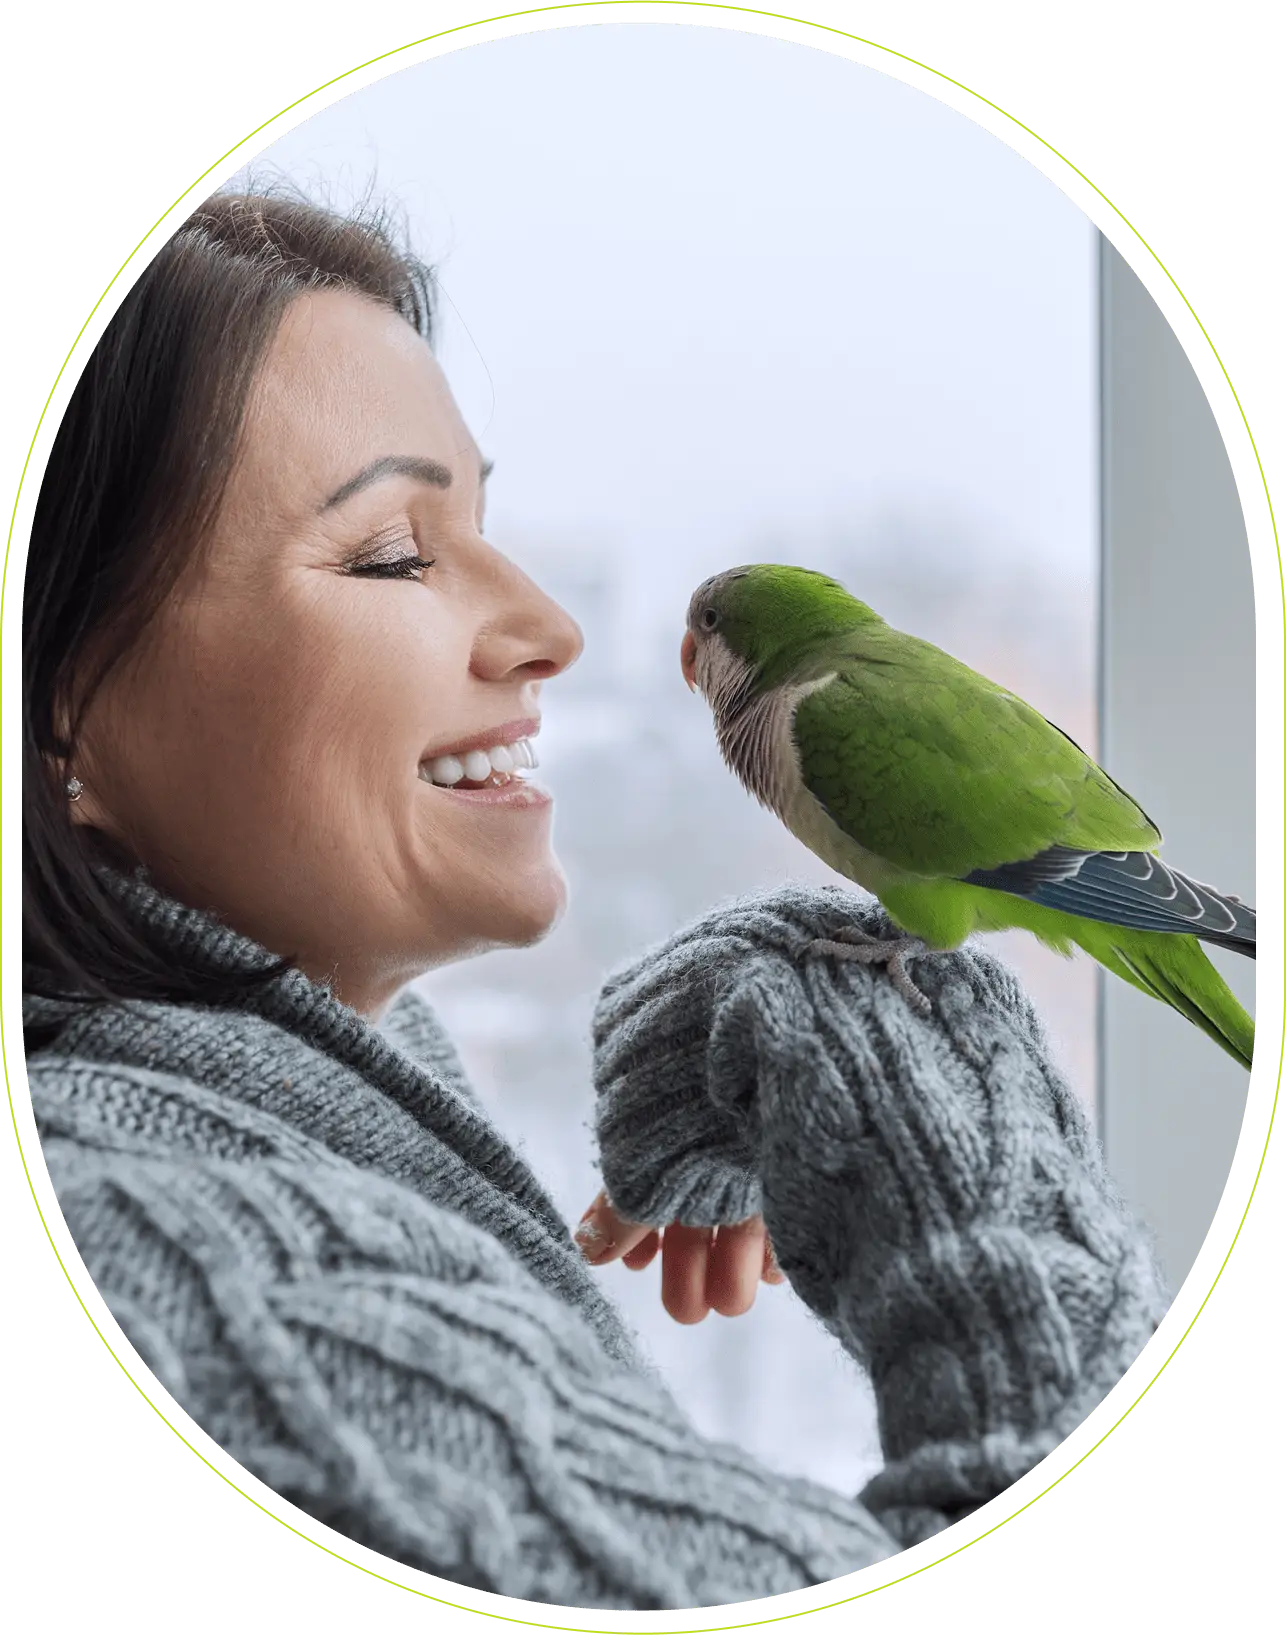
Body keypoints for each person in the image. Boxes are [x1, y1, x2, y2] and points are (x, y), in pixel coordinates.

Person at [16, 189, 1169, 1617]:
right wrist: (911, 1085)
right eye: (392, 552)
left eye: (486, 520)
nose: (553, 629)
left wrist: (763, 1017)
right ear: (60, 713)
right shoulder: (183, 1261)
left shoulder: (219, 1136)